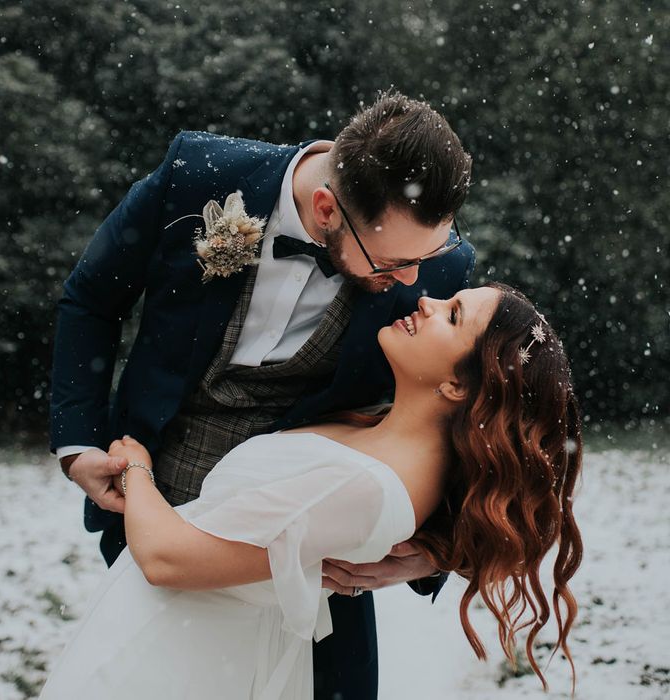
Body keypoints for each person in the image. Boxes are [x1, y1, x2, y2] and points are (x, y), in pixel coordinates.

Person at [50, 91, 475, 697]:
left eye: (427, 255)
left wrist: (436, 548)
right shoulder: (197, 176)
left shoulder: (438, 273)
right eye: (391, 262)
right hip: (152, 510)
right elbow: (92, 298)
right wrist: (78, 443)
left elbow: (463, 416)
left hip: (318, 555)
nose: (412, 280)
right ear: (326, 207)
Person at [40, 283, 583, 698]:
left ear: (458, 384)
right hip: (166, 630)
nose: (427, 299)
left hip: (181, 657)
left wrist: (136, 468)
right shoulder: (376, 427)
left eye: (453, 314)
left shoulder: (370, 484)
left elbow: (166, 559)